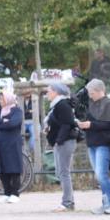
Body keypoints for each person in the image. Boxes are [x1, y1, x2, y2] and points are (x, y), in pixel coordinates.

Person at [76, 79, 110, 214]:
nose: (90, 96)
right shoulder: (91, 104)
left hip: (104, 144)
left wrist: (91, 125)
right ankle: (106, 203)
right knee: (100, 176)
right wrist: (82, 124)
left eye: (92, 93)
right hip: (92, 143)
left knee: (101, 175)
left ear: (99, 90)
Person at [44, 82, 79, 212]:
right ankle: (69, 201)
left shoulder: (62, 104)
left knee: (64, 172)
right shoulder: (57, 105)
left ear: (56, 92)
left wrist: (59, 140)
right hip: (60, 141)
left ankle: (67, 202)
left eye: (49, 91)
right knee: (61, 172)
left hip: (65, 141)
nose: (47, 93)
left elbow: (67, 123)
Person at [0, 91, 24, 203]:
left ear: (8, 99)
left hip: (12, 144)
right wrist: (2, 120)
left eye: (2, 99)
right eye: (0, 99)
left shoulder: (17, 111)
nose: (0, 101)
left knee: (14, 169)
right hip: (0, 144)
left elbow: (13, 123)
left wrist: (0, 124)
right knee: (3, 169)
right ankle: (7, 193)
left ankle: (15, 193)